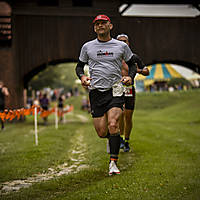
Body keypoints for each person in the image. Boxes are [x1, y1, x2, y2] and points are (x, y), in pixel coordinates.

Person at [75, 14, 137, 175]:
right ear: (94, 28)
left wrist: (130, 76)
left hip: (116, 89)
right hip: (96, 92)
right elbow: (79, 67)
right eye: (97, 24)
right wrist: (82, 77)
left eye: (103, 23)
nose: (100, 26)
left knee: (113, 124)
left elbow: (132, 64)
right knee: (102, 132)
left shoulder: (121, 46)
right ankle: (113, 138)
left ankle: (113, 163)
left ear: (110, 26)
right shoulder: (87, 47)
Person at [116, 34, 149, 152]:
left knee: (128, 116)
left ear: (128, 43)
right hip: (117, 88)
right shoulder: (114, 57)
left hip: (129, 88)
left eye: (125, 41)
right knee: (120, 113)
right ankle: (119, 138)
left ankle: (126, 140)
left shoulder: (134, 57)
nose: (123, 43)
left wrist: (136, 70)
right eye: (120, 41)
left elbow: (147, 71)